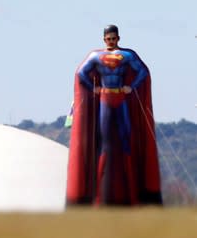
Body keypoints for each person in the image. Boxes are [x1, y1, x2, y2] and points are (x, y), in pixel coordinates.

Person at [66, 24, 162, 206]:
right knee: (104, 144)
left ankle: (133, 197)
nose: (111, 42)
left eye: (114, 38)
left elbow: (143, 72)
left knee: (126, 143)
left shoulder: (127, 55)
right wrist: (93, 88)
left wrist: (131, 87)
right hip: (105, 99)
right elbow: (81, 74)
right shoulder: (96, 56)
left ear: (118, 38)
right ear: (104, 39)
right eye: (108, 39)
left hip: (120, 99)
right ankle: (98, 198)